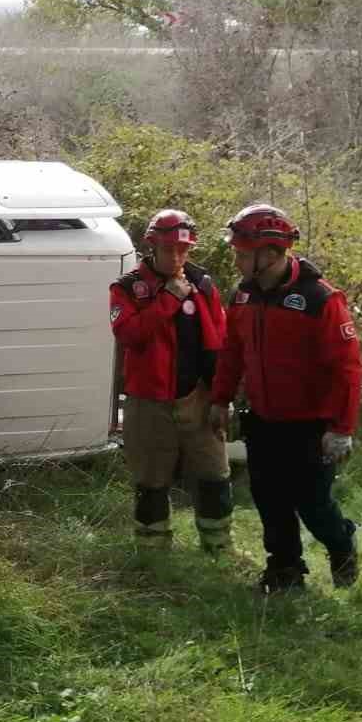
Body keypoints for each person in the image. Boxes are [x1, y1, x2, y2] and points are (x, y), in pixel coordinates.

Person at [209, 204, 362, 594]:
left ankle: (341, 543)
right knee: (269, 499)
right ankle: (284, 570)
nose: (237, 261)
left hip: (310, 424)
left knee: (313, 503)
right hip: (262, 419)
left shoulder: (320, 298)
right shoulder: (243, 295)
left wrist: (342, 428)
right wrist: (220, 399)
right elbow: (232, 352)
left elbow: (348, 369)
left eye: (243, 253)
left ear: (272, 253)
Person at [108, 209, 232, 552]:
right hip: (148, 401)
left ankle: (219, 548)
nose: (177, 257)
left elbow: (220, 342)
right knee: (150, 479)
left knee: (214, 474)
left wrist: (222, 396)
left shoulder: (203, 284)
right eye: (169, 250)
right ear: (153, 246)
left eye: (183, 250)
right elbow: (129, 334)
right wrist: (169, 299)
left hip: (199, 397)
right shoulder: (128, 287)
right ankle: (152, 551)